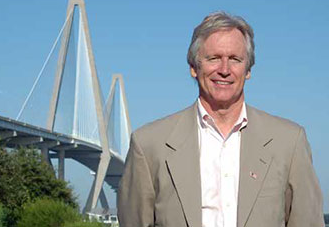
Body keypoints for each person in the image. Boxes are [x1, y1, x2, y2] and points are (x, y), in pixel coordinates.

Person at [117, 12, 324, 227]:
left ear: (248, 70)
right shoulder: (149, 145)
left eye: (235, 59)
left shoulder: (289, 143)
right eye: (213, 58)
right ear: (193, 68)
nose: (224, 70)